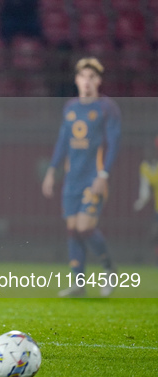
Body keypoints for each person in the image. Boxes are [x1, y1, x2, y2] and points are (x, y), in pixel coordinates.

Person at [42, 57, 121, 297]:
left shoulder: (107, 108)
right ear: (76, 80)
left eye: (92, 77)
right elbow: (63, 142)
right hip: (71, 180)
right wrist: (51, 171)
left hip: (93, 178)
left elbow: (113, 143)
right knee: (73, 229)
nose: (87, 82)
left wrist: (104, 174)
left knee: (85, 227)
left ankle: (109, 269)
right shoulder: (70, 107)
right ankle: (78, 283)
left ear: (98, 81)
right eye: (83, 77)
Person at [133, 136, 158, 264]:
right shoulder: (145, 167)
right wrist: (141, 202)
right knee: (154, 233)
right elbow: (145, 189)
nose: (148, 154)